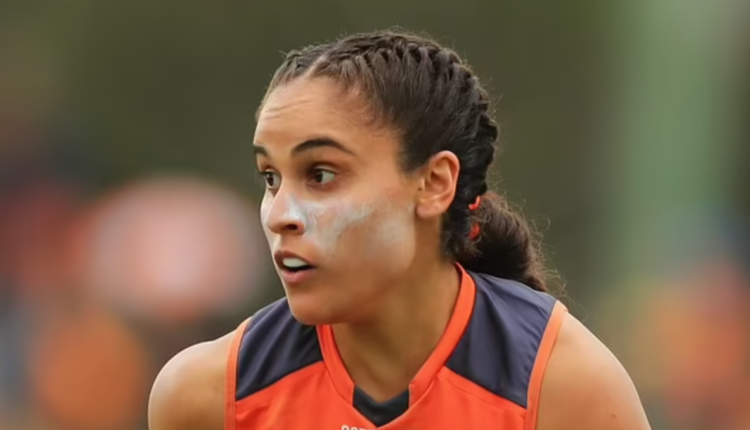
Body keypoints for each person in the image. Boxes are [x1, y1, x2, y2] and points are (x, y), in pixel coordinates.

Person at [148, 29, 651, 430]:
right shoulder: (206, 396)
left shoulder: (563, 386)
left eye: (320, 174)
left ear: (434, 184)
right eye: (270, 178)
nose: (281, 213)